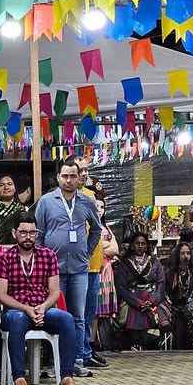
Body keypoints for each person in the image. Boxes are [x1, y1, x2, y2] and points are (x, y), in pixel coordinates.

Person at [0, 212, 79, 385]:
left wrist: (43, 307)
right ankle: (19, 378)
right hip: (16, 310)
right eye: (23, 233)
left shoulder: (48, 256)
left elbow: (55, 292)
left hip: (43, 309)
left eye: (32, 233)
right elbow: (1, 295)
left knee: (66, 319)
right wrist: (26, 308)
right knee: (17, 319)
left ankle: (66, 376)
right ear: (14, 233)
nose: (28, 237)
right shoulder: (4, 258)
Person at [34, 157, 102, 375]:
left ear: (79, 177)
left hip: (80, 268)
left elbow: (97, 230)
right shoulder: (46, 201)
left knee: (78, 317)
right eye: (65, 176)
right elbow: (38, 234)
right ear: (58, 177)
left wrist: (87, 252)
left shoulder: (87, 201)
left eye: (73, 176)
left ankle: (77, 361)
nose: (69, 180)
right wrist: (41, 262)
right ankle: (54, 363)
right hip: (53, 272)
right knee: (55, 315)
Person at [77, 156, 109, 370]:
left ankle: (86, 352)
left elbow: (98, 230)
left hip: (95, 265)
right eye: (80, 170)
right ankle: (75, 354)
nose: (84, 174)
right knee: (76, 314)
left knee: (89, 314)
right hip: (75, 266)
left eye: (86, 170)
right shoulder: (60, 198)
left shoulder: (90, 197)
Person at [114, 231, 168, 351]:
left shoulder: (155, 262)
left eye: (143, 243)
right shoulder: (125, 264)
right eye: (137, 243)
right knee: (134, 328)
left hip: (152, 300)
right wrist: (138, 303)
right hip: (131, 301)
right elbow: (121, 288)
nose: (140, 246)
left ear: (147, 246)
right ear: (132, 246)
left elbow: (161, 284)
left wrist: (152, 301)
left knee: (165, 323)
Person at [165, 241, 193, 350]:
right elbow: (166, 293)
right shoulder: (170, 273)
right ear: (177, 255)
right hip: (175, 309)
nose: (186, 256)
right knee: (179, 319)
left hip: (192, 309)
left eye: (188, 253)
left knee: (188, 317)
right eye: (182, 253)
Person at [93, 197, 121, 347]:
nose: (99, 210)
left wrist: (101, 247)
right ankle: (92, 341)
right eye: (96, 206)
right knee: (93, 310)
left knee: (101, 312)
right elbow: (92, 247)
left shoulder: (107, 227)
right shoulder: (89, 226)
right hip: (96, 269)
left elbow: (115, 249)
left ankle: (99, 342)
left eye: (102, 207)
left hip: (107, 271)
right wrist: (105, 245)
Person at [0, 174, 26, 245]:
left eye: (10, 184)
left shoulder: (24, 210)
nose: (6, 187)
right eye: (1, 185)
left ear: (15, 188)